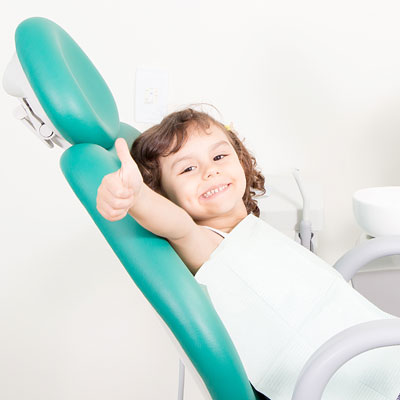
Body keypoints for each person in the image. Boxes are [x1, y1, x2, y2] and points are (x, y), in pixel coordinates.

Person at [96, 107, 400, 400]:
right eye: (188, 168)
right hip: (357, 378)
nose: (210, 170)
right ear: (163, 194)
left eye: (218, 155)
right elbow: (178, 227)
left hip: (374, 354)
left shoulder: (246, 229)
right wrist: (137, 198)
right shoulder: (208, 244)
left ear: (240, 160)